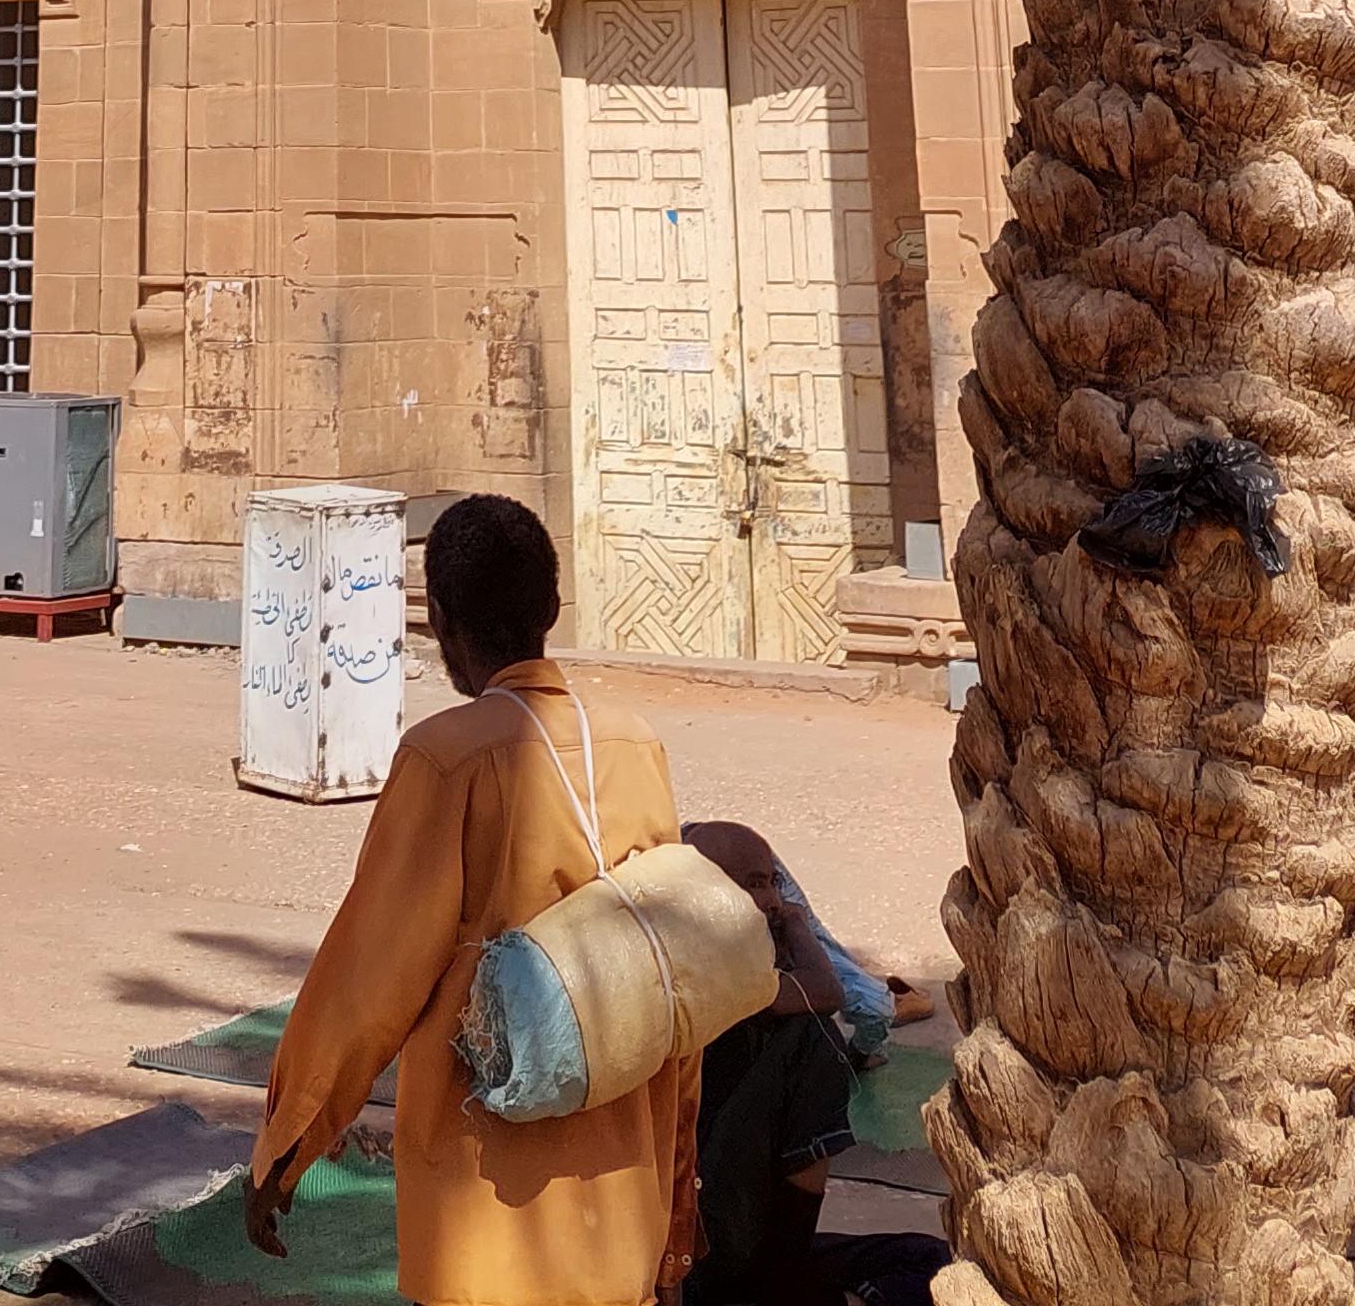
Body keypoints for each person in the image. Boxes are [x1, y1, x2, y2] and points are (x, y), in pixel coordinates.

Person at [244, 496, 693, 1306]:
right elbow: (678, 986)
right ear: (552, 609)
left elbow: (368, 983)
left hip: (486, 1220)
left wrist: (286, 1144)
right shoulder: (636, 745)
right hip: (622, 1209)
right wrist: (678, 1203)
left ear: (438, 619)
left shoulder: (444, 758)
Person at [673, 825, 940, 1306]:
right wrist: (796, 926)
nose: (774, 901)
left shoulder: (713, 981)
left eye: (773, 883)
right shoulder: (731, 993)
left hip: (725, 1256)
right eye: (755, 884)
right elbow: (826, 992)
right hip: (720, 1268)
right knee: (815, 1040)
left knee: (927, 1259)